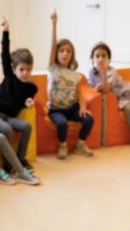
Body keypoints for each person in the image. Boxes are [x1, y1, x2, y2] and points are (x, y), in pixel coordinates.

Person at [0, 17, 39, 182]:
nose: (25, 73)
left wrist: (27, 103)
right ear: (14, 69)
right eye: (21, 69)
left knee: (26, 126)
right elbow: (4, 53)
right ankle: (9, 165)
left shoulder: (32, 88)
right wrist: (5, 31)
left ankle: (20, 159)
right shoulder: (9, 75)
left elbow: (22, 101)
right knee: (6, 129)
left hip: (7, 116)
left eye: (28, 69)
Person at [87, 42, 130, 149]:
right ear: (92, 58)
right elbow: (91, 87)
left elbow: (107, 89)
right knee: (129, 110)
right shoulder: (92, 72)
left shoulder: (112, 71)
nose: (100, 59)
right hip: (121, 99)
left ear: (108, 58)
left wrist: (104, 73)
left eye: (104, 56)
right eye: (97, 56)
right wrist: (96, 88)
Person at [47, 9, 94, 159]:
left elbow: (79, 92)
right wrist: (54, 24)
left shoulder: (75, 75)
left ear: (72, 55)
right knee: (62, 124)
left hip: (71, 108)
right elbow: (53, 45)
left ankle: (80, 144)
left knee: (89, 119)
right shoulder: (53, 68)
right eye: (62, 51)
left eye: (68, 51)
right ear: (57, 53)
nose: (65, 54)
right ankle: (62, 145)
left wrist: (83, 106)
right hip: (56, 109)